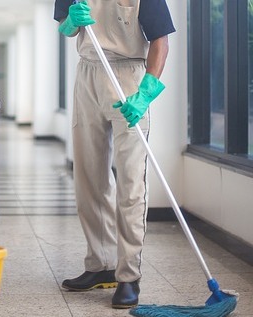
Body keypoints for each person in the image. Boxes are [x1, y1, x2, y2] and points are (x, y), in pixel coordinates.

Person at [53, 0, 175, 309]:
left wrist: (146, 91)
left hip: (128, 77)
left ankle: (128, 275)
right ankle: (101, 264)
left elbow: (160, 41)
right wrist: (70, 22)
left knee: (130, 183)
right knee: (88, 178)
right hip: (87, 74)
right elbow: (65, 28)